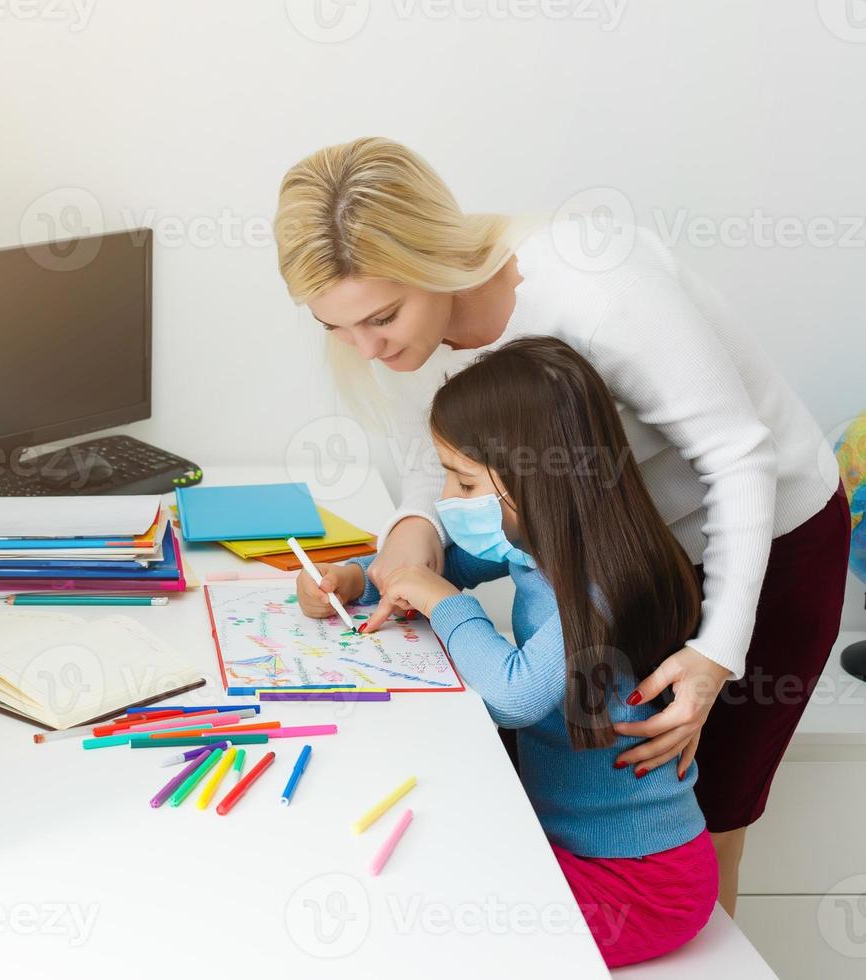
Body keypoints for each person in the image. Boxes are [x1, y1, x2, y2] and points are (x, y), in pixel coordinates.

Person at [275, 137, 851, 914]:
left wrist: (717, 653)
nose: (367, 348)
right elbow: (438, 461)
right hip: (632, 552)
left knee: (705, 814)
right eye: (336, 329)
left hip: (766, 539)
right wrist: (405, 552)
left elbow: (738, 458)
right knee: (616, 794)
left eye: (381, 318)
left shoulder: (595, 284)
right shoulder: (414, 340)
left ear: (434, 258)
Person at [298, 337, 717, 966]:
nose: (447, 497)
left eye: (463, 480)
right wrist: (359, 577)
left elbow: (516, 696)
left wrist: (442, 601)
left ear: (539, 476)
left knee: (420, 924)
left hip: (638, 882)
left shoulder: (602, 585)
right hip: (567, 842)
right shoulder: (542, 542)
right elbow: (448, 564)